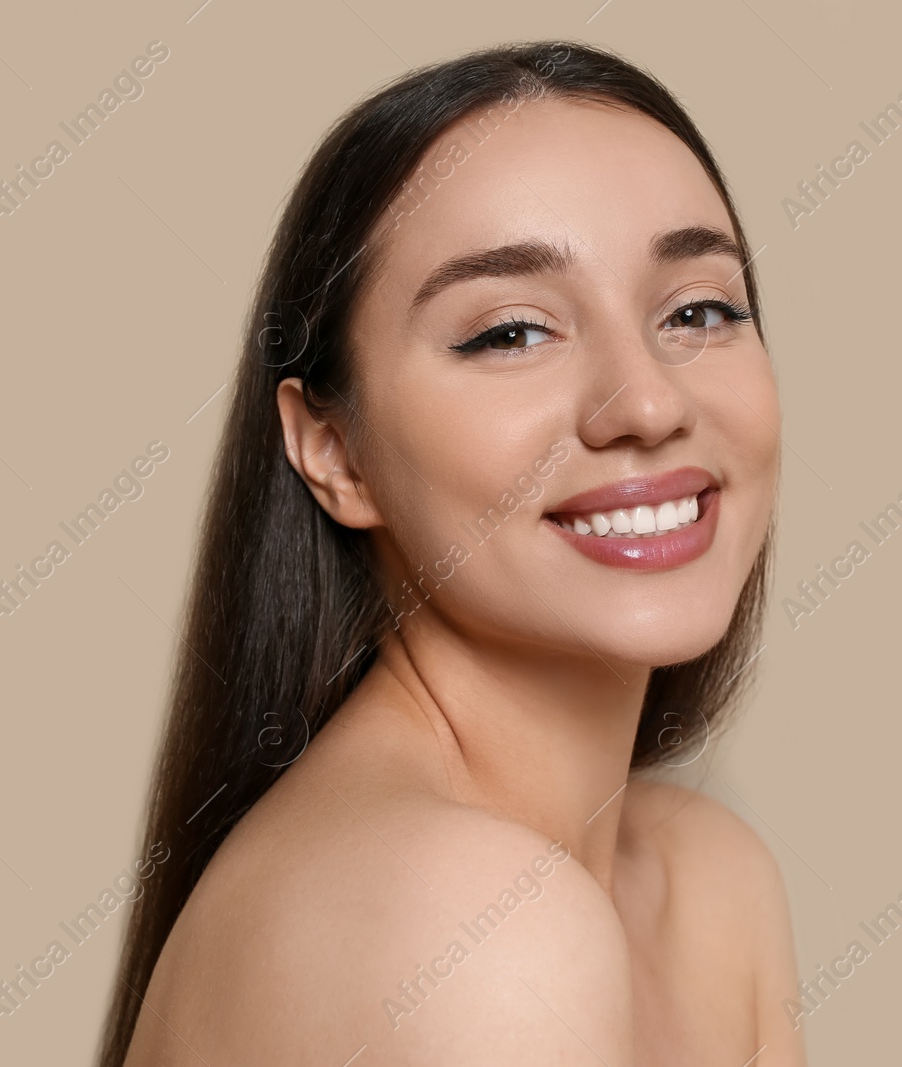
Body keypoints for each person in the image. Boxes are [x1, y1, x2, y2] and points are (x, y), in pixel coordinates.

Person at [99, 39, 804, 1066]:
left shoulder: (707, 880)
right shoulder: (472, 927)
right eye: (511, 333)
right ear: (333, 452)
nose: (647, 402)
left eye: (697, 309)